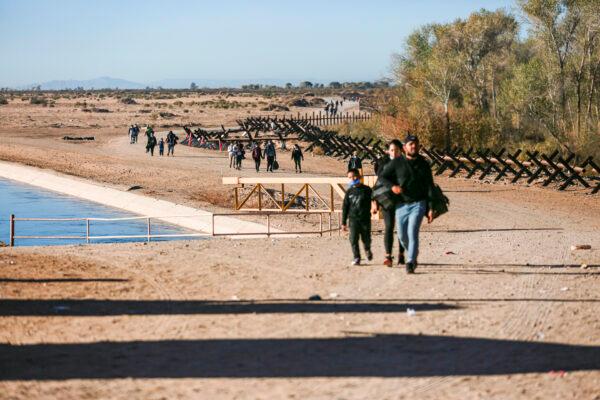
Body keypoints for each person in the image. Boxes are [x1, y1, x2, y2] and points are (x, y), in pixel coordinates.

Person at [379, 134, 434, 274]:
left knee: (412, 231)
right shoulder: (397, 163)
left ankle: (410, 261)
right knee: (402, 236)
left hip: (418, 203)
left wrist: (431, 208)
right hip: (401, 204)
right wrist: (392, 187)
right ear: (405, 147)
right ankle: (413, 252)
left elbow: (430, 186)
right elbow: (383, 177)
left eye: (416, 144)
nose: (413, 146)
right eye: (410, 144)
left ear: (419, 146)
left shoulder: (424, 164)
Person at [372, 139, 405, 267]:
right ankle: (388, 256)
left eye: (397, 150)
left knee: (402, 227)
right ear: (388, 151)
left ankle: (401, 254)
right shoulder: (383, 162)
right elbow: (379, 181)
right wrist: (375, 201)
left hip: (402, 198)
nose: (394, 152)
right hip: (387, 198)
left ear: (401, 151)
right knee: (389, 226)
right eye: (392, 150)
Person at [342, 168, 373, 266]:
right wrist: (343, 222)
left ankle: (367, 249)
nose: (352, 179)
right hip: (353, 219)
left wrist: (375, 206)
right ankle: (357, 257)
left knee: (366, 238)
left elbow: (375, 199)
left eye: (354, 176)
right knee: (353, 239)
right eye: (350, 177)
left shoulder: (367, 190)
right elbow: (345, 207)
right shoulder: (349, 192)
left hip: (365, 218)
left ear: (359, 176)